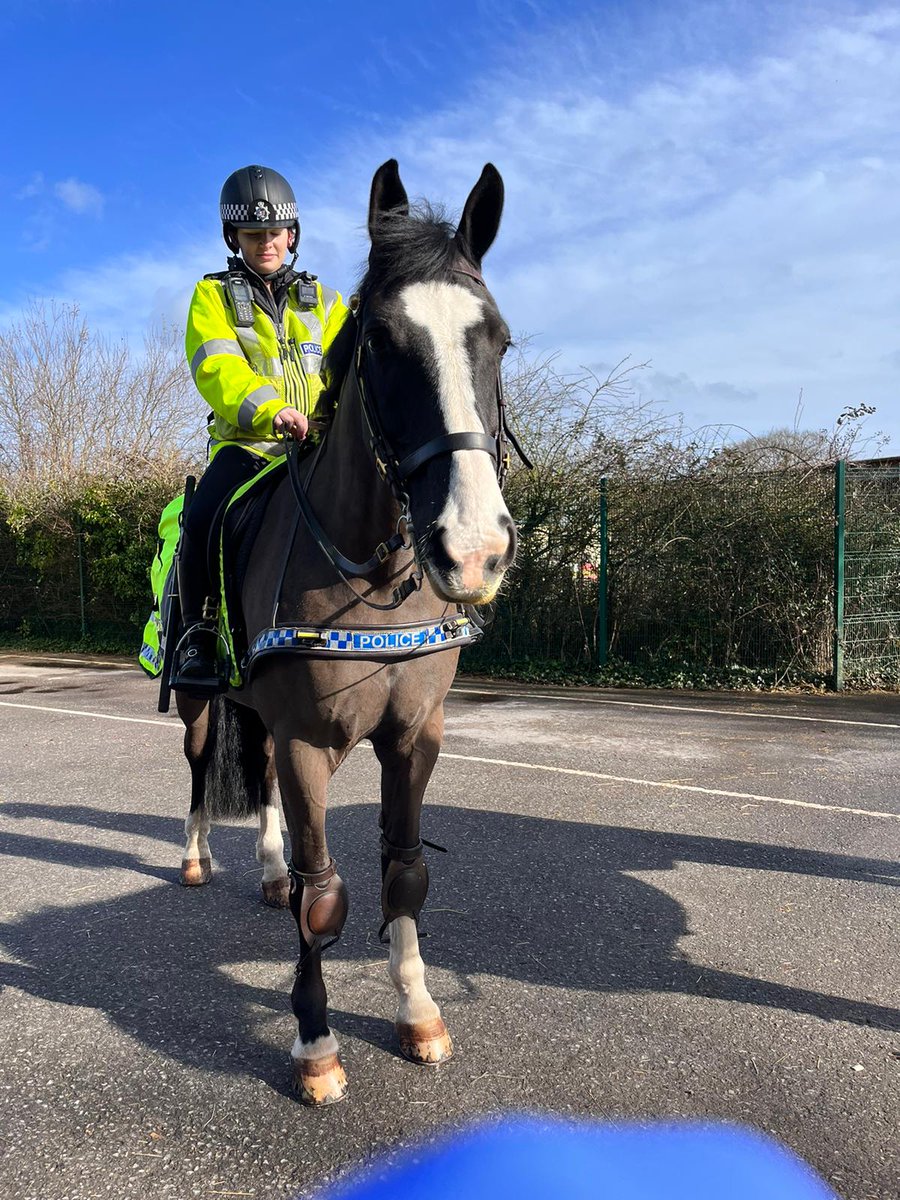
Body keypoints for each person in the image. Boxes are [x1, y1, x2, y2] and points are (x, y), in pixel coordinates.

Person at [172, 164, 348, 695]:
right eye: (254, 234)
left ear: (291, 235)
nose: (265, 243)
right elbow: (217, 368)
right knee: (204, 517)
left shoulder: (329, 301)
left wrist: (331, 416)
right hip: (250, 446)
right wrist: (272, 410)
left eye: (274, 233)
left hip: (319, 447)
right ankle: (200, 632)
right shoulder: (213, 297)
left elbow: (348, 364)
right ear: (235, 237)